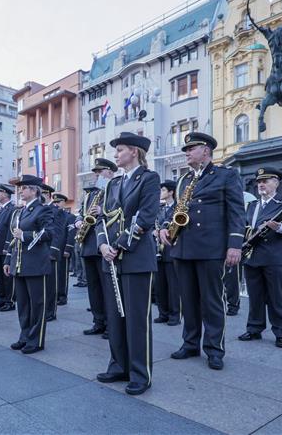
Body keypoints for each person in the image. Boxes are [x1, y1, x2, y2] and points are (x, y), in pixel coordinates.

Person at [161, 132, 245, 371]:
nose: (186, 152)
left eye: (191, 148)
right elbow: (177, 208)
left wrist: (235, 244)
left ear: (206, 150)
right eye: (186, 149)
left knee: (212, 301)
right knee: (188, 300)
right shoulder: (183, 180)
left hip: (211, 248)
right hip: (183, 248)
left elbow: (237, 212)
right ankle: (190, 343)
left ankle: (214, 349)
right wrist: (166, 228)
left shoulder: (226, 175)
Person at [95, 132, 160, 396]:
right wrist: (102, 244)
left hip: (135, 256)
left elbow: (146, 216)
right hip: (111, 257)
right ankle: (118, 365)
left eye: (119, 150)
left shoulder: (149, 178)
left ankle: (140, 373)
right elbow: (101, 218)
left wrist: (120, 244)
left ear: (134, 151)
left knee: (136, 318)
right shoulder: (112, 184)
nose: (116, 155)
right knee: (115, 315)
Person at [238, 168, 282, 348]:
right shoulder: (252, 205)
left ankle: (281, 332)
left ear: (276, 183)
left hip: (275, 258)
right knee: (255, 296)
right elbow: (245, 227)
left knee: (276, 297)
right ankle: (254, 328)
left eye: (266, 180)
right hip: (253, 256)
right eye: (259, 181)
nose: (261, 184)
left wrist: (279, 228)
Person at [3, 174, 54, 354]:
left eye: (23, 188)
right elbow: (12, 237)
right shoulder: (20, 211)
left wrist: (25, 235)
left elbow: (48, 233)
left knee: (37, 304)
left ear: (33, 190)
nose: (20, 191)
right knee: (23, 304)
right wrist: (8, 259)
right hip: (19, 263)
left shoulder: (43, 210)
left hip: (35, 263)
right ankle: (24, 336)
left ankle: (36, 339)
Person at [75, 158, 117, 337]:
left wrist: (102, 212)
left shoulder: (115, 188)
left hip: (104, 244)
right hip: (88, 245)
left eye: (100, 172)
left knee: (107, 287)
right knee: (93, 287)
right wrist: (78, 221)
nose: (97, 175)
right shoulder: (91, 194)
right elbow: (81, 213)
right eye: (96, 172)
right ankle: (98, 321)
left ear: (109, 172)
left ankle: (110, 324)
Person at [154, 180, 180, 326]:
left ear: (171, 192)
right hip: (158, 251)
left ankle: (175, 315)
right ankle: (163, 313)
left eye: (163, 190)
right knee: (160, 285)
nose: (160, 193)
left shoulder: (177, 208)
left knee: (173, 286)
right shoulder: (159, 208)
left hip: (171, 249)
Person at [40, 184, 63, 322]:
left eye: (41, 193)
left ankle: (51, 311)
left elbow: (58, 232)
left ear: (47, 194)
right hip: (41, 251)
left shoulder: (56, 210)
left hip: (50, 251)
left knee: (51, 284)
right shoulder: (40, 209)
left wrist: (54, 250)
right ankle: (44, 309)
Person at [0, 185, 15, 312]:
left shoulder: (12, 209)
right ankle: (1, 299)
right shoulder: (1, 210)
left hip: (4, 248)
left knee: (7, 277)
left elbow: (10, 230)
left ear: (5, 194)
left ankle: (9, 301)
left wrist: (7, 246)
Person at [52, 194, 75, 307]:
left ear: (64, 203)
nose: (56, 204)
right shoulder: (53, 215)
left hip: (63, 249)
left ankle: (62, 296)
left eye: (58, 202)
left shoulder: (69, 216)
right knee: (54, 273)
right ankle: (55, 294)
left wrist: (68, 248)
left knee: (62, 273)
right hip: (54, 249)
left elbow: (71, 234)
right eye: (55, 202)